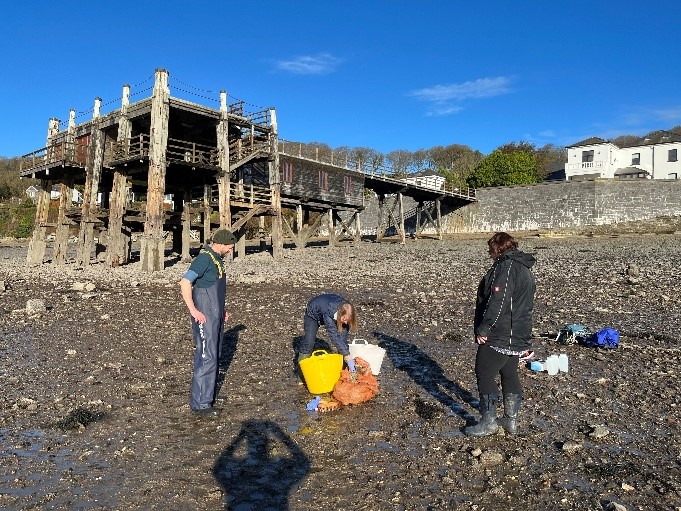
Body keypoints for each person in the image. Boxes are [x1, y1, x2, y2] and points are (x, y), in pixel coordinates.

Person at [464, 232, 536, 436]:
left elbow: (499, 301)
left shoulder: (507, 267)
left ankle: (489, 423)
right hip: (518, 333)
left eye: (490, 250)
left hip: (501, 332)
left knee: (484, 372)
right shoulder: (524, 269)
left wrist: (485, 328)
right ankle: (510, 421)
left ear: (497, 249)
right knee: (509, 374)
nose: (489, 254)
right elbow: (525, 306)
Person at [180, 228, 237, 417]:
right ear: (220, 244)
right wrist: (193, 310)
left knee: (216, 353)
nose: (230, 250)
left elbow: (214, 289)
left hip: (216, 314)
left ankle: (209, 394)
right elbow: (185, 282)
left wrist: (223, 310)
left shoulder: (216, 258)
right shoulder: (204, 258)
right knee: (206, 356)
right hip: (204, 315)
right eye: (229, 247)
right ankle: (200, 404)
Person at [298, 294, 358, 372]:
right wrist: (347, 355)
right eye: (344, 319)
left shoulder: (347, 310)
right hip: (312, 314)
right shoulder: (330, 312)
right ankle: (301, 373)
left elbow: (342, 338)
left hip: (326, 310)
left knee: (342, 342)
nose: (346, 322)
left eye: (348, 320)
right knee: (308, 342)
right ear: (340, 314)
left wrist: (347, 356)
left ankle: (344, 370)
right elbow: (334, 336)